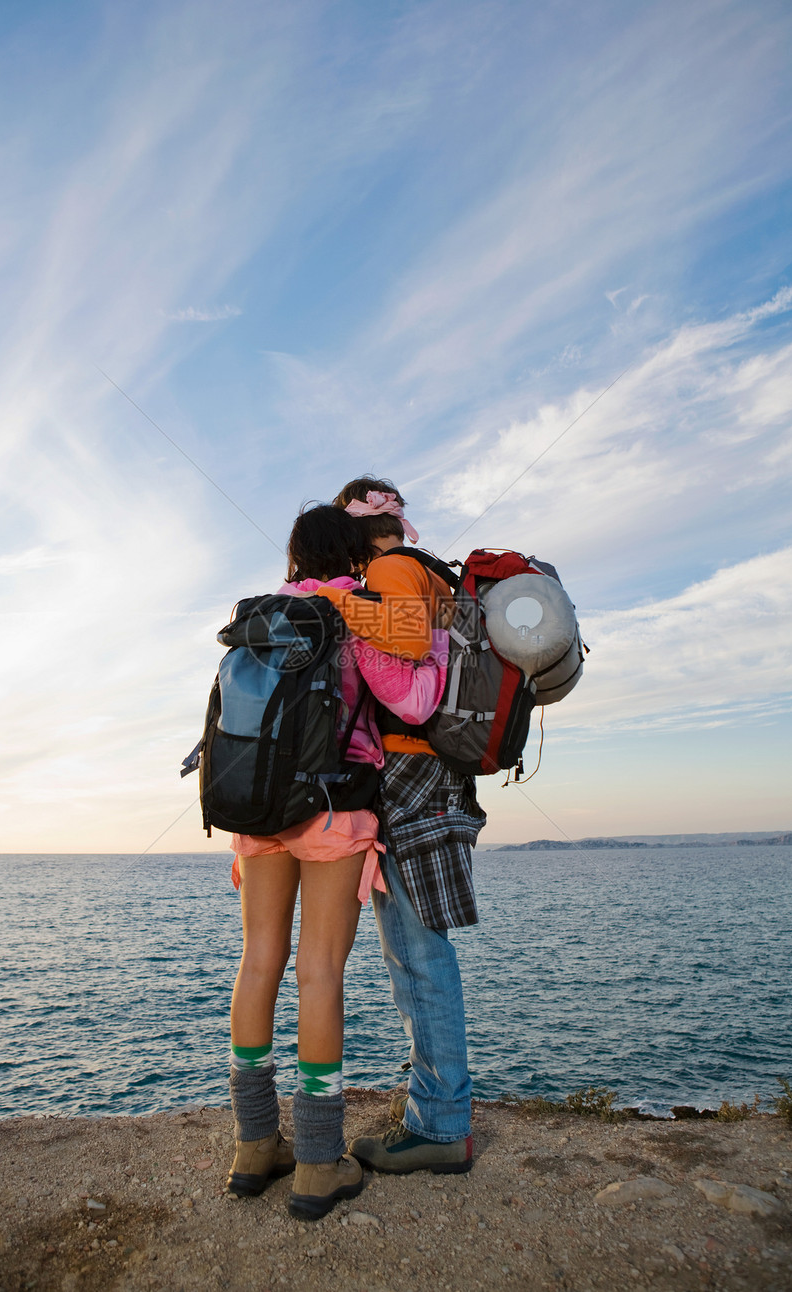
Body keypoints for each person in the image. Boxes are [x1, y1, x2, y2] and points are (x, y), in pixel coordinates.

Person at [226, 504, 449, 1220]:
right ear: (349, 555)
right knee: (320, 971)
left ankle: (255, 1148)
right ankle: (319, 1164)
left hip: (256, 808)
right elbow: (407, 703)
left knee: (259, 961)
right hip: (332, 808)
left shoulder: (261, 615)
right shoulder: (354, 610)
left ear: (293, 554)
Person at [314, 476, 486, 1175]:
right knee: (418, 947)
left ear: (356, 530)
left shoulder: (388, 572)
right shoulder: (425, 571)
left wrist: (338, 601)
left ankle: (442, 1127)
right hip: (437, 772)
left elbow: (410, 656)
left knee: (416, 951)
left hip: (413, 772)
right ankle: (434, 1108)